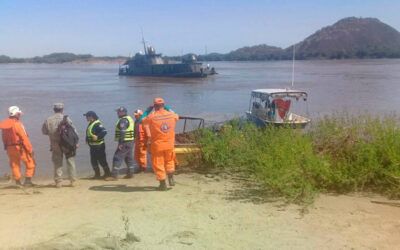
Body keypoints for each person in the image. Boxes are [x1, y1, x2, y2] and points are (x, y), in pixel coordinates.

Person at [143, 97, 179, 191]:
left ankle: (162, 185)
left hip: (158, 145)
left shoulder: (152, 116)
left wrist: (147, 111)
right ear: (163, 105)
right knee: (170, 161)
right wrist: (167, 108)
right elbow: (176, 115)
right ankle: (171, 178)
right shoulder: (171, 115)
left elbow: (142, 121)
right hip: (169, 144)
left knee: (158, 164)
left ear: (154, 106)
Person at [42, 103, 78, 188]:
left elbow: (44, 131)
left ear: (54, 110)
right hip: (67, 144)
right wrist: (76, 143)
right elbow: (74, 132)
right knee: (70, 161)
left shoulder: (48, 120)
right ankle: (73, 181)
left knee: (57, 162)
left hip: (55, 144)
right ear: (62, 110)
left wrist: (52, 134)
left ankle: (58, 182)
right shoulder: (66, 118)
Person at [0, 106, 35, 187]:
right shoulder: (17, 124)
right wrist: (30, 150)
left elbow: (4, 138)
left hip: (9, 148)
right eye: (19, 114)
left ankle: (18, 182)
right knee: (30, 163)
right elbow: (24, 138)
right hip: (20, 148)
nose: (20, 115)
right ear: (16, 114)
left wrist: (6, 146)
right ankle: (27, 181)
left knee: (15, 165)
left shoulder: (5, 125)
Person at [105, 106, 135, 181]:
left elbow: (123, 131)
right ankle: (130, 173)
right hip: (130, 141)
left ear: (122, 112)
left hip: (124, 142)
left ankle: (114, 175)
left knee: (117, 157)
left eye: (118, 112)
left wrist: (121, 143)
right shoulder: (130, 119)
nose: (117, 113)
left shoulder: (123, 120)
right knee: (128, 158)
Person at [84, 111, 111, 179]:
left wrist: (98, 137)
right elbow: (90, 132)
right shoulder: (91, 123)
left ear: (91, 117)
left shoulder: (97, 124)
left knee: (102, 160)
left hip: (99, 146)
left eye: (87, 116)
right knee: (93, 161)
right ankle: (97, 174)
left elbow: (104, 131)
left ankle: (108, 173)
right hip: (92, 146)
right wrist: (87, 139)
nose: (86, 118)